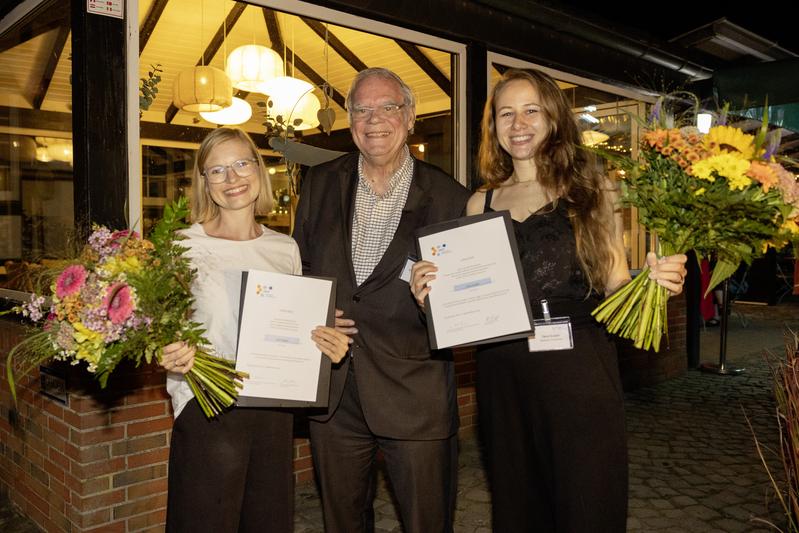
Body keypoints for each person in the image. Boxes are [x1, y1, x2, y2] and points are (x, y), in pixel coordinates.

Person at [411, 68, 688, 532]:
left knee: (588, 496)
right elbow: (467, 295)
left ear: (554, 118)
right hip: (504, 367)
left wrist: (651, 285)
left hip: (578, 364)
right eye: (506, 113)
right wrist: (431, 299)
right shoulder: (480, 201)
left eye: (530, 110)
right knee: (518, 500)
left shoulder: (591, 190)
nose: (518, 123)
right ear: (494, 128)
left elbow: (616, 282)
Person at [292, 67, 471, 532]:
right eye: (361, 109)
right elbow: (301, 269)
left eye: (387, 106)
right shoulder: (318, 183)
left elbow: (466, 300)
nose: (374, 119)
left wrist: (436, 300)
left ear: (409, 117)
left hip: (415, 391)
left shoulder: (451, 197)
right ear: (349, 120)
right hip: (334, 391)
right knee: (342, 523)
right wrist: (309, 310)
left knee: (426, 522)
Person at [159, 127, 349, 532]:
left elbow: (295, 328)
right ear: (204, 182)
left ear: (259, 170)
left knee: (267, 522)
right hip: (207, 405)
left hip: (272, 409)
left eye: (242, 163)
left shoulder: (285, 248)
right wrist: (169, 348)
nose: (232, 179)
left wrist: (323, 341)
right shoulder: (183, 245)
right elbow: (161, 328)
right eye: (218, 170)